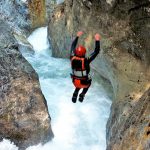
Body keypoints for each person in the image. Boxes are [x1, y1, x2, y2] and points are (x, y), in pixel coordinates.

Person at [70, 31, 101, 103]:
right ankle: (82, 94)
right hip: (84, 83)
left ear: (76, 52)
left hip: (75, 81)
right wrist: (97, 40)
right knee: (88, 82)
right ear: (84, 53)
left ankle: (75, 93)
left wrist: (77, 36)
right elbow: (96, 51)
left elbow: (72, 46)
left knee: (79, 81)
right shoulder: (86, 60)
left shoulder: (72, 57)